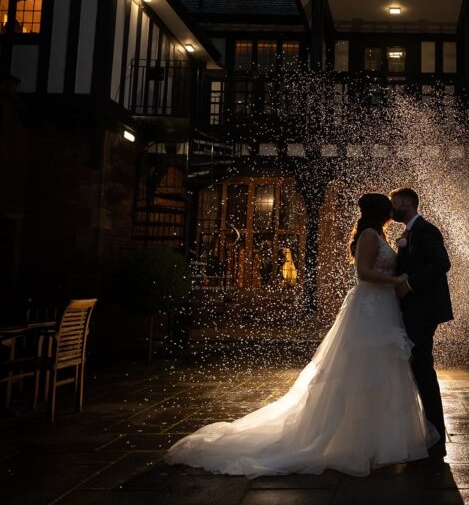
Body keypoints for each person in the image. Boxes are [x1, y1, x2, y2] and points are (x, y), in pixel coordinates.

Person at [165, 193, 440, 478]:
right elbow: (363, 273)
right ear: (382, 210)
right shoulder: (370, 235)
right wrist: (396, 280)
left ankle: (378, 437)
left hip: (384, 307)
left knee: (383, 369)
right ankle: (358, 439)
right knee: (364, 368)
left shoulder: (378, 234)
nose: (393, 210)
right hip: (371, 308)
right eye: (389, 207)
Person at [389, 187, 453, 460]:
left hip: (423, 311)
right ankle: (427, 429)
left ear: (406, 203)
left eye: (395, 204)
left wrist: (410, 284)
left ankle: (436, 433)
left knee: (423, 368)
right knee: (418, 367)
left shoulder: (425, 230)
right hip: (415, 310)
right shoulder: (410, 233)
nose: (392, 209)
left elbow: (442, 263)